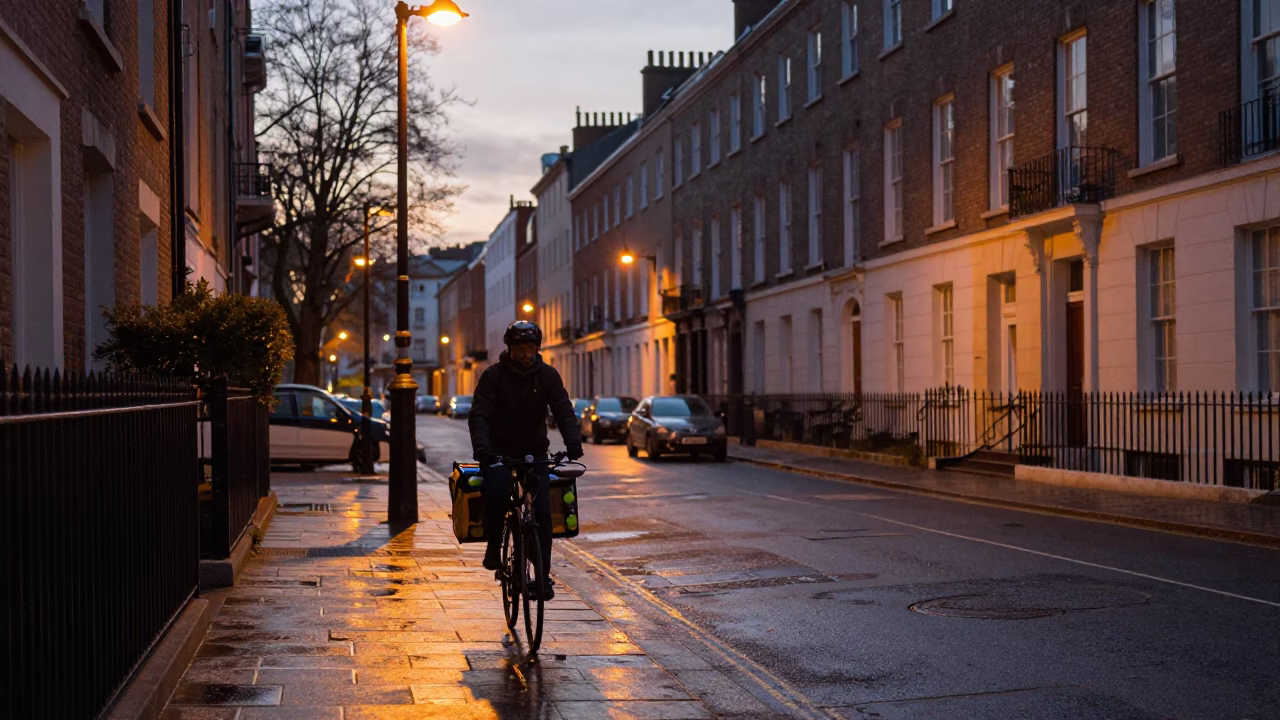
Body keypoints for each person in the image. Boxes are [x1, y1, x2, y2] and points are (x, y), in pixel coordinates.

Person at [469, 320, 583, 599]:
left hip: (535, 452)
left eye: (530, 348)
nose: (525, 354)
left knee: (543, 514)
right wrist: (483, 450)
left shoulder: (547, 376)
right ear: (509, 349)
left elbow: (563, 410)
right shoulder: (493, 376)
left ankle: (542, 577)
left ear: (537, 348)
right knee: (496, 495)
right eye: (519, 348)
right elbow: (479, 415)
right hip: (499, 451)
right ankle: (494, 548)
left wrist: (573, 442)